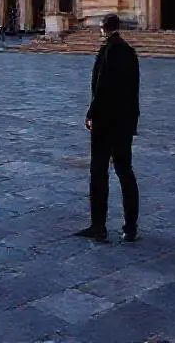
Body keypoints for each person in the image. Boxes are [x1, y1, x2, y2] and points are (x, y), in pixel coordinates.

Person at [76, 13, 140, 243]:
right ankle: (130, 228)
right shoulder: (129, 51)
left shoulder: (109, 51)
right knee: (125, 172)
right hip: (124, 122)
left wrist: (91, 113)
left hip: (105, 121)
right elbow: (134, 89)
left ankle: (98, 226)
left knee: (99, 172)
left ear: (104, 28)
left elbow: (102, 86)